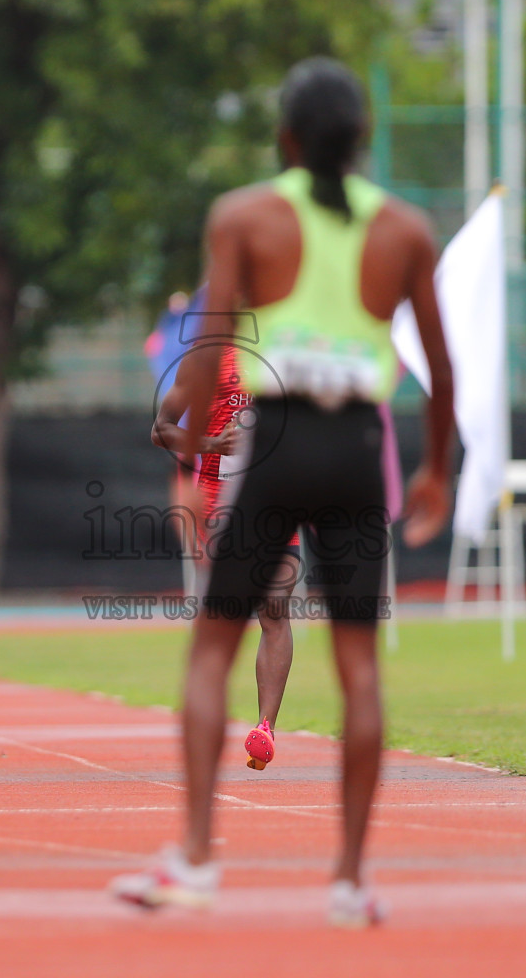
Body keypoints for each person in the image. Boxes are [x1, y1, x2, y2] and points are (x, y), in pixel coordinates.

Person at [112, 57, 455, 927]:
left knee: (209, 651)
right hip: (357, 442)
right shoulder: (406, 229)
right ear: (363, 140)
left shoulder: (246, 214)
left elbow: (210, 337)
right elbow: (441, 370)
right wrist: (436, 468)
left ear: (287, 138)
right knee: (360, 668)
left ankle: (194, 858)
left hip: (274, 441)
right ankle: (349, 879)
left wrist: (184, 432)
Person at [153, 329, 302, 770]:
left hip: (278, 502)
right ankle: (205, 726)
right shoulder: (204, 360)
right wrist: (211, 444)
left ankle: (265, 729)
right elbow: (161, 430)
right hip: (220, 504)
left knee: (275, 605)